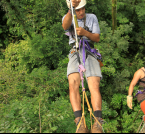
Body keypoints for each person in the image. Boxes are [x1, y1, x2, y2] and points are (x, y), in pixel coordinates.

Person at [62, 0, 103, 133]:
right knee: (72, 82)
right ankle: (79, 121)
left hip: (90, 52)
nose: (80, 12)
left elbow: (96, 38)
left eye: (82, 9)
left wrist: (85, 33)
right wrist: (71, 10)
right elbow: (65, 26)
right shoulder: (69, 17)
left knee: (94, 84)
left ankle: (97, 122)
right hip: (75, 51)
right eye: (77, 10)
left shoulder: (92, 17)